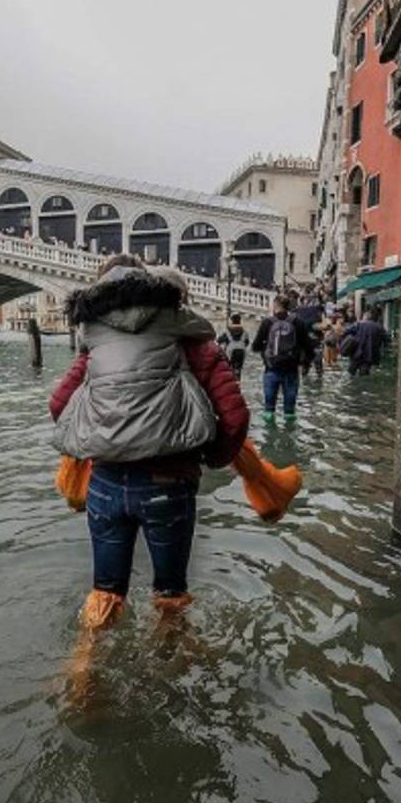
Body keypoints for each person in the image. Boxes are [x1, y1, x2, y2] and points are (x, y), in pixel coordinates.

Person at [49, 254, 249, 629]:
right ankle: (170, 670)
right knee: (171, 596)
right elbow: (235, 417)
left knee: (105, 592)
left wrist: (100, 440)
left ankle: (82, 672)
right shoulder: (194, 342)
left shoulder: (94, 343)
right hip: (168, 483)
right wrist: (211, 457)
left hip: (105, 486)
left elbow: (59, 405)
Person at [250, 295, 314, 424]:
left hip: (271, 369)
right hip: (291, 370)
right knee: (290, 412)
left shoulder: (267, 322)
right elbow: (308, 346)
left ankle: (269, 436)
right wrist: (306, 363)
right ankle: (289, 436)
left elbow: (255, 346)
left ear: (275, 305)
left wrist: (265, 351)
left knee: (268, 410)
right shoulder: (298, 321)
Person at [341, 307, 389, 377]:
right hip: (370, 356)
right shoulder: (379, 328)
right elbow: (386, 341)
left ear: (367, 316)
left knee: (351, 372)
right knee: (364, 374)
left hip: (356, 353)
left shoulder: (358, 324)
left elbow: (345, 332)